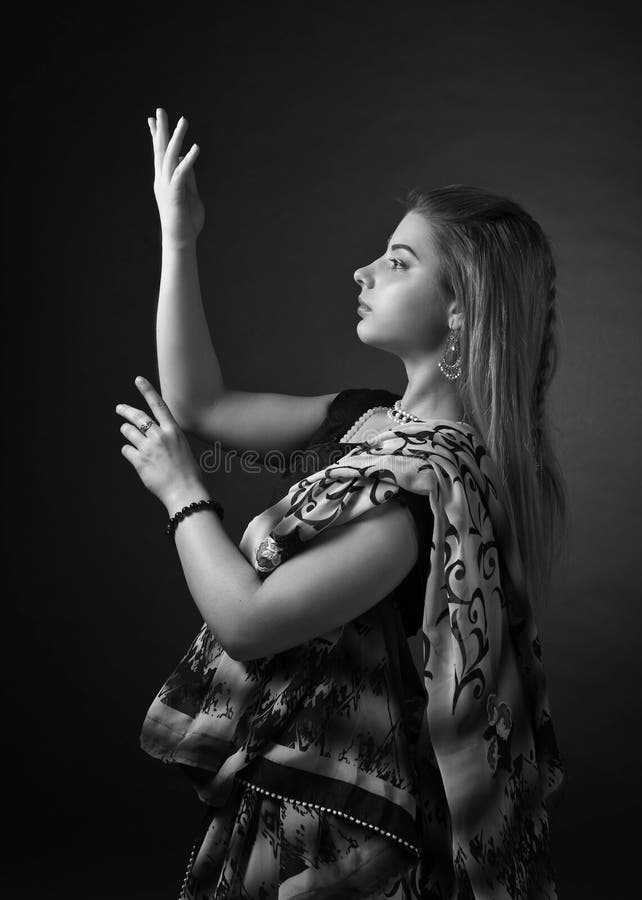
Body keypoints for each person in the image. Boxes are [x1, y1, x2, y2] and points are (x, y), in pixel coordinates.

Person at [128, 108, 567, 899]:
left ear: (461, 308)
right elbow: (202, 404)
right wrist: (178, 237)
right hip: (298, 782)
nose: (362, 271)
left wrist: (182, 490)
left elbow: (250, 624)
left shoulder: (420, 499)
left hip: (342, 835)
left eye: (397, 262)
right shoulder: (366, 418)